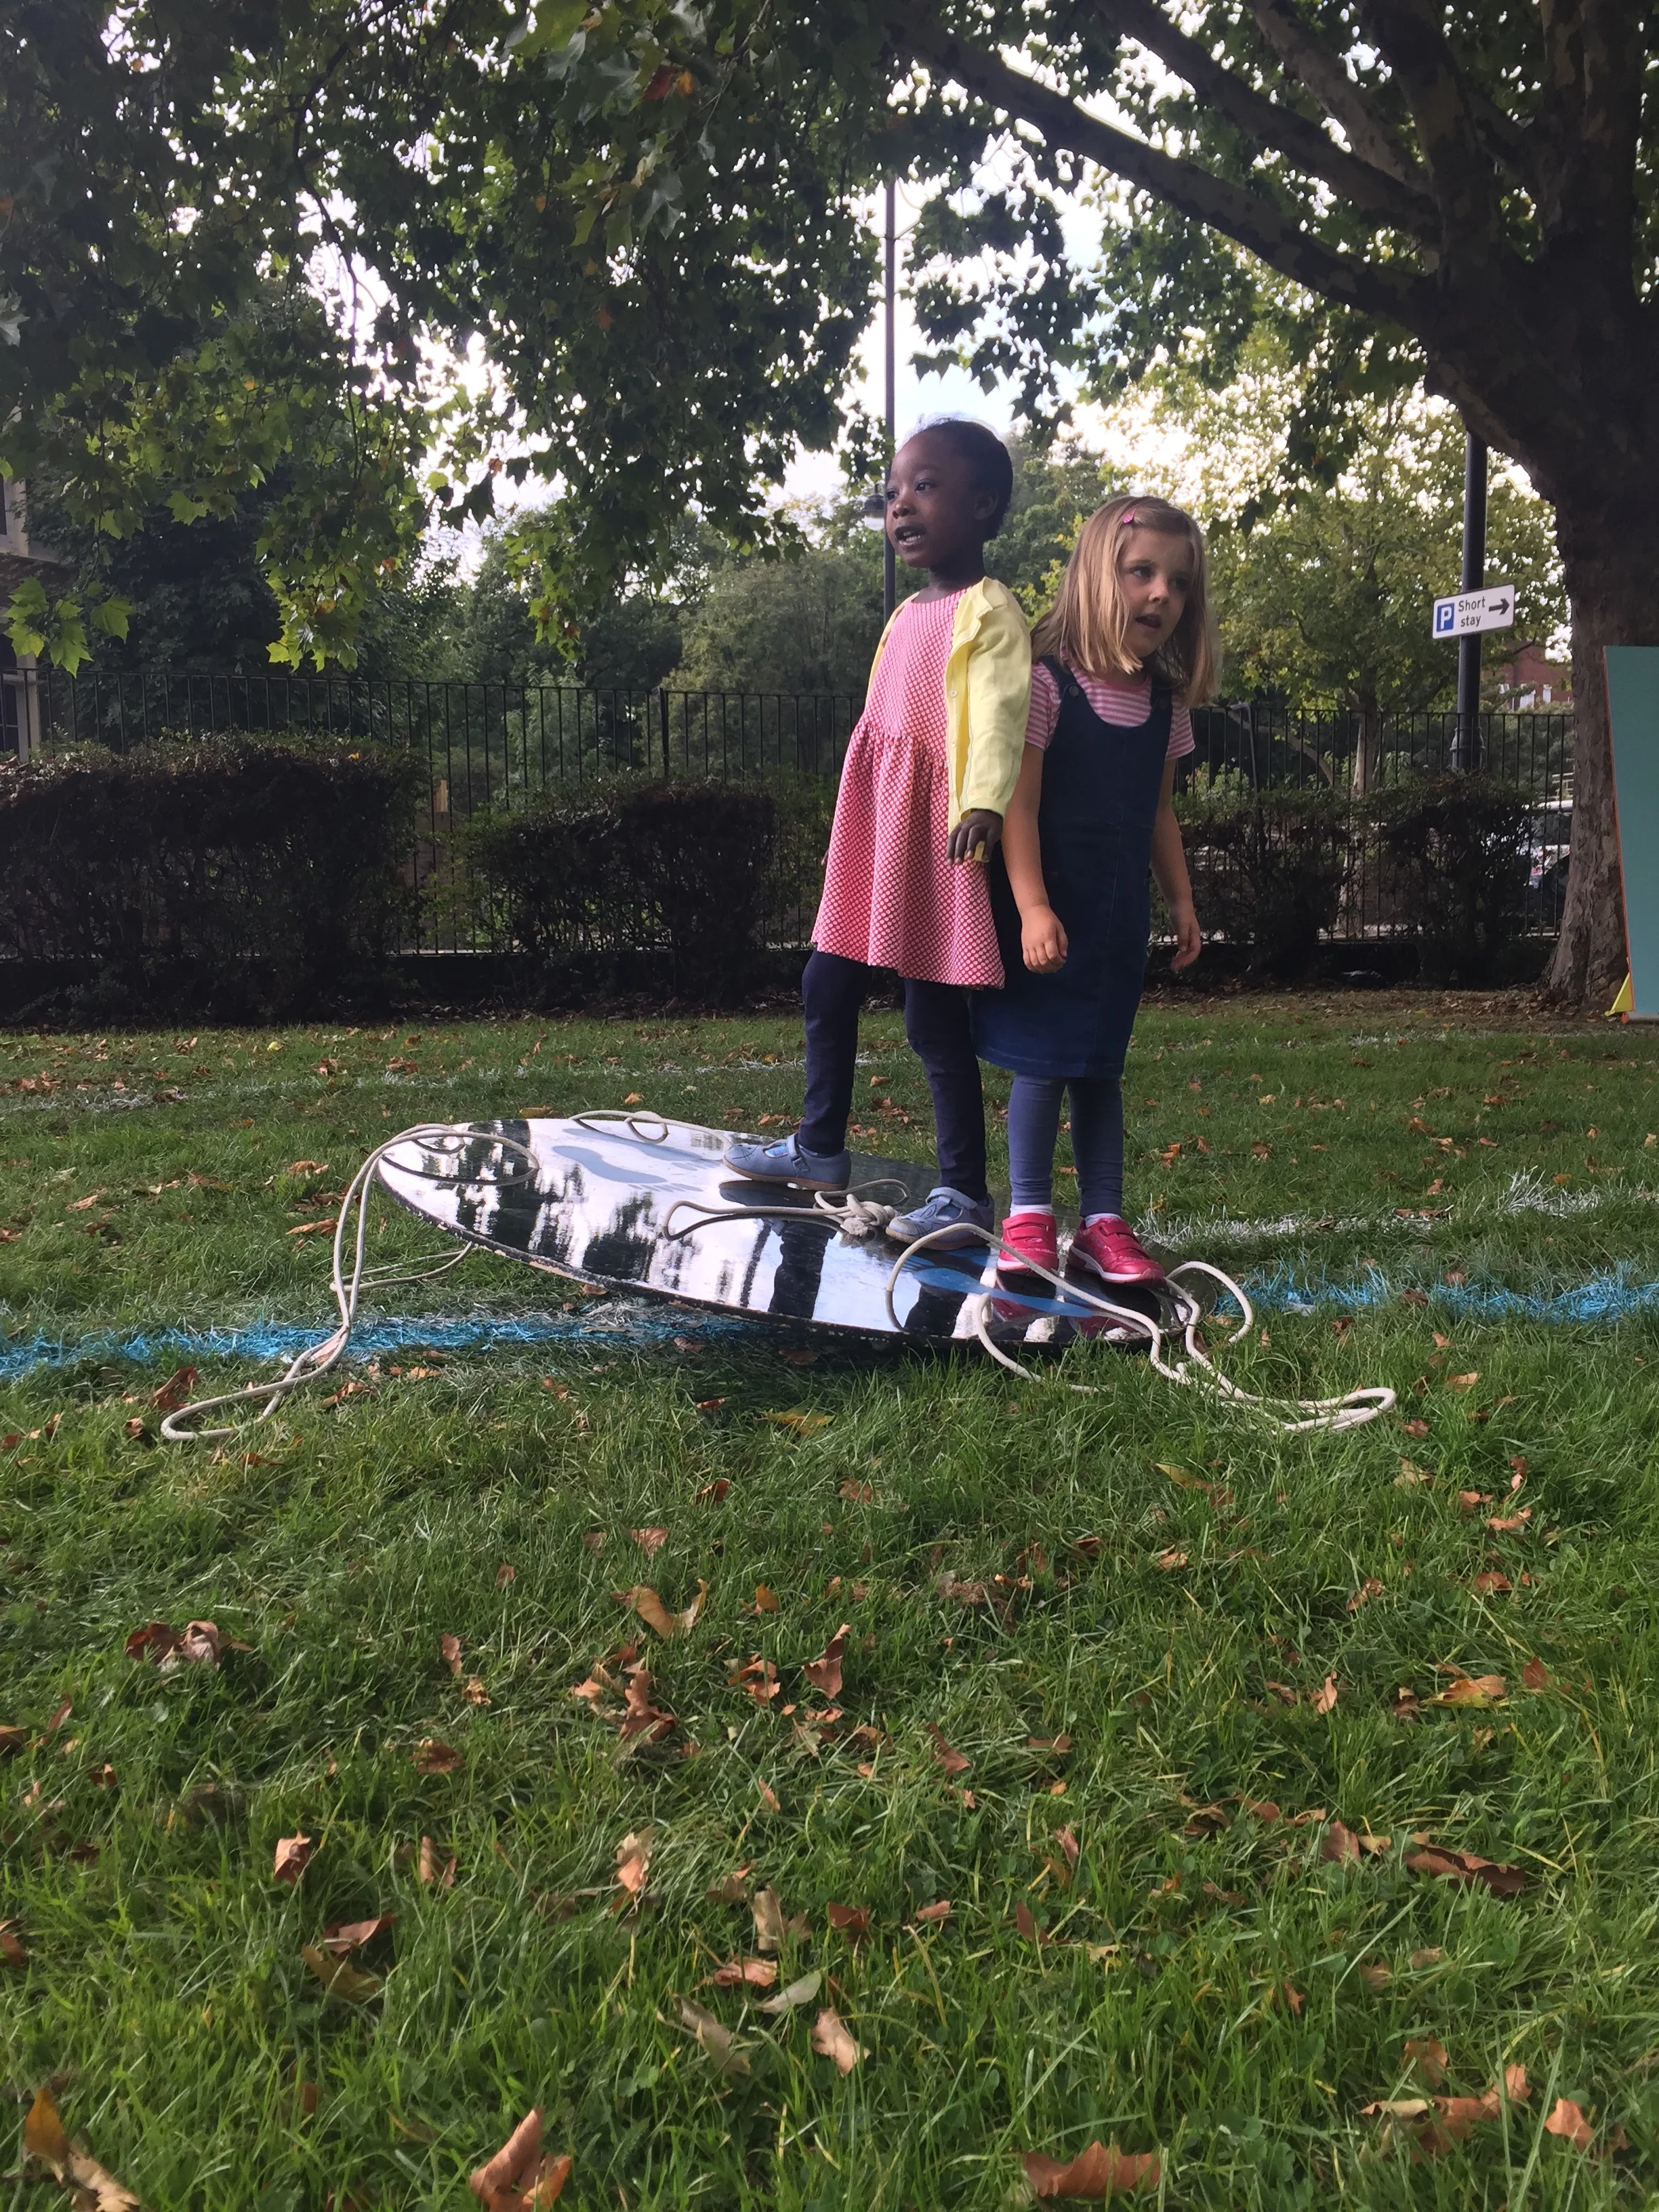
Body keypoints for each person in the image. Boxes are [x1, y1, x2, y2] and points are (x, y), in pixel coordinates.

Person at [724, 421, 1031, 1246]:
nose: (901, 504)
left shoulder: (990, 609)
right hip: (879, 819)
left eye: (924, 487)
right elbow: (882, 721)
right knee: (827, 981)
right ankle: (820, 1147)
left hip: (940, 832)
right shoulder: (903, 614)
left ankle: (963, 1191)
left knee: (934, 1017)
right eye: (893, 492)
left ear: (983, 505)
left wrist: (985, 802)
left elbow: (1003, 713)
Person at [973, 493, 1212, 1287]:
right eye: (1141, 573)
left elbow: (1160, 813)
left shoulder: (1164, 705)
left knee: (1101, 1068)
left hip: (1115, 925)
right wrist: (1032, 905)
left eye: (1178, 585)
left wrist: (1180, 900)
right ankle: (1032, 1218)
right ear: (1094, 576)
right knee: (1043, 1063)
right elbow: (1021, 805)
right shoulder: (1046, 685)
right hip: (1052, 914)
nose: (1160, 596)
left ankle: (1104, 1221)